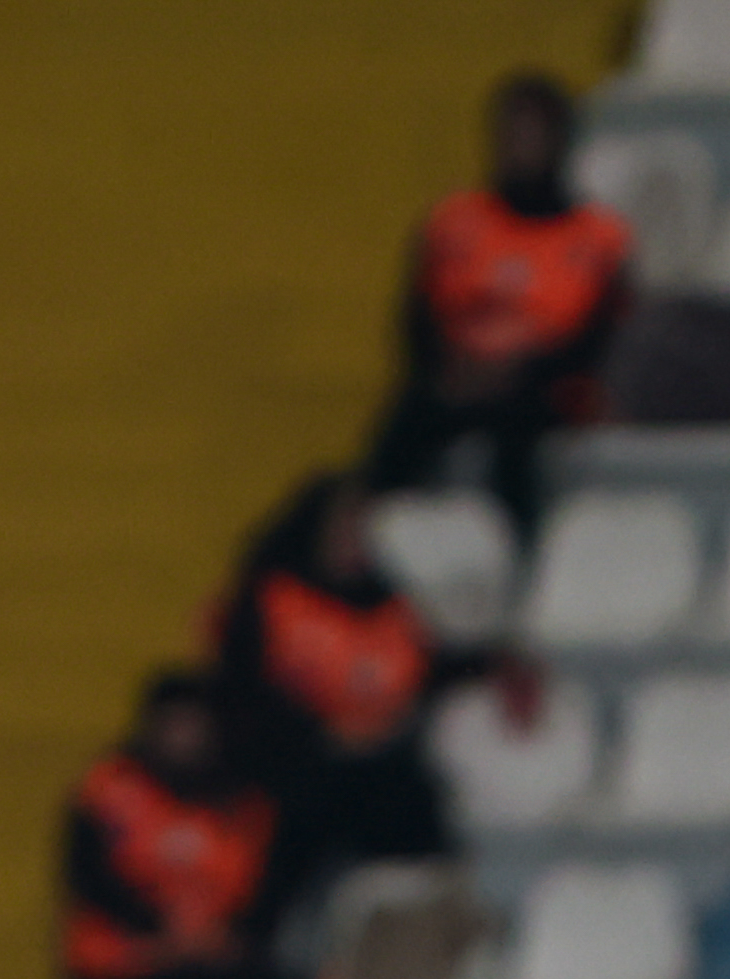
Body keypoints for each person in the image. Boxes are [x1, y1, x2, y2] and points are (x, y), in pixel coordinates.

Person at [214, 468, 537, 868]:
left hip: (382, 763)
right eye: (343, 527)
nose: (353, 540)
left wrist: (493, 666)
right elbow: (238, 692)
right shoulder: (272, 599)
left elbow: (428, 670)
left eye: (362, 527)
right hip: (294, 766)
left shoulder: (393, 602)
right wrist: (319, 732)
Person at [362, 70, 630, 547]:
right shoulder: (454, 222)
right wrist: (452, 370)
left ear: (561, 142)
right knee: (399, 431)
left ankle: (520, 555)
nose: (519, 148)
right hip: (457, 381)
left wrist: (522, 372)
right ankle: (373, 550)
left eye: (532, 135)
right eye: (510, 134)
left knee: (517, 438)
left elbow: (598, 338)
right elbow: (417, 318)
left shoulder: (598, 237)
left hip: (545, 393)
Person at [58, 670, 299, 979]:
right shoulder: (110, 789)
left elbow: (266, 884)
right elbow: (88, 876)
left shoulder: (244, 799)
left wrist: (232, 935)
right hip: (127, 961)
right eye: (173, 725)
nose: (184, 738)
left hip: (211, 956)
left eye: (194, 726)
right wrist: (158, 929)